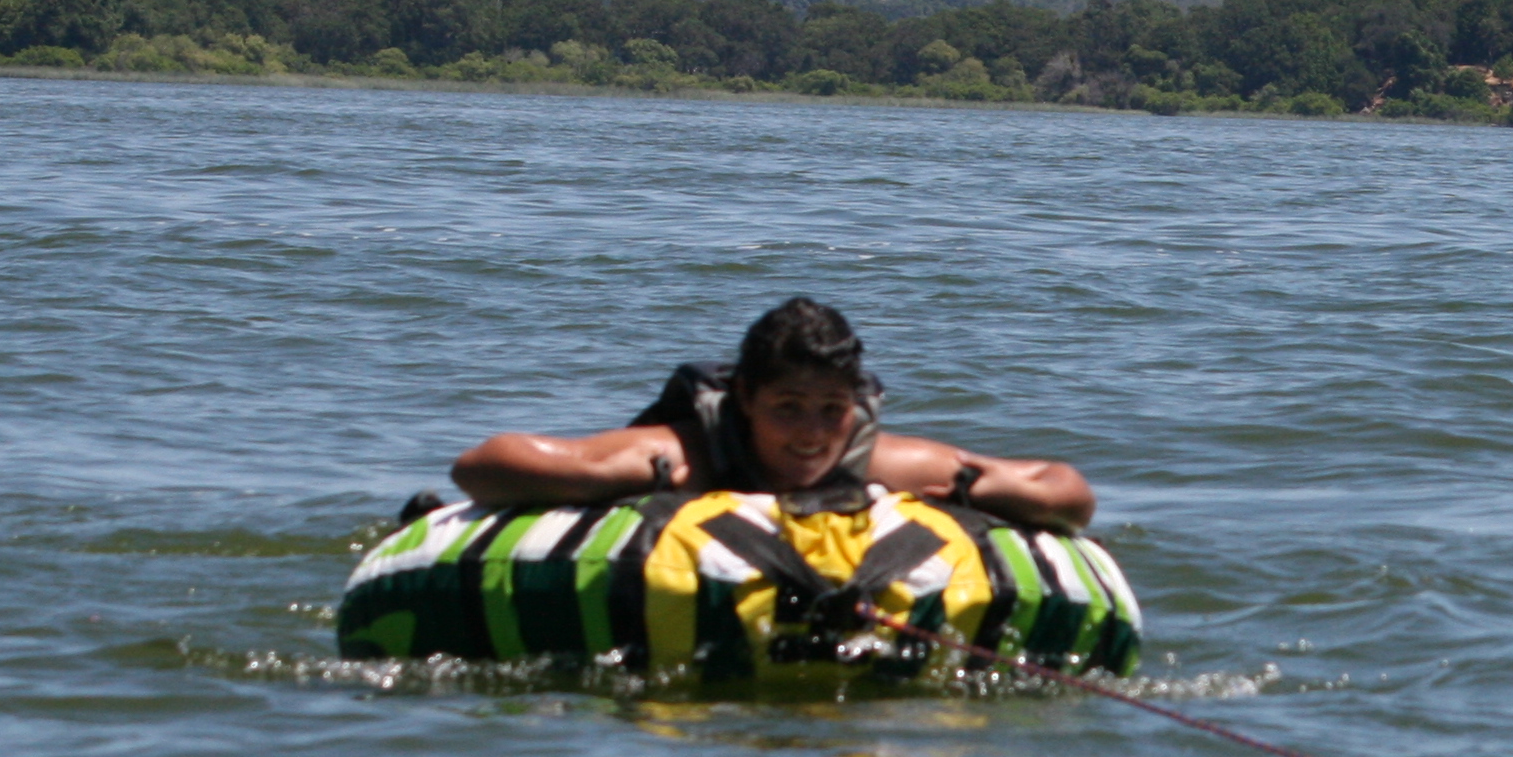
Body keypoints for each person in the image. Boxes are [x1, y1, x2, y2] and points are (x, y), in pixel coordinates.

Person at [451, 296, 1094, 531]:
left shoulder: (877, 460)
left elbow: (1068, 490)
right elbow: (482, 465)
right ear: (746, 400)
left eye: (831, 410)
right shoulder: (685, 452)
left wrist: (999, 491)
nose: (813, 434)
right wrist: (608, 482)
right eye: (788, 409)